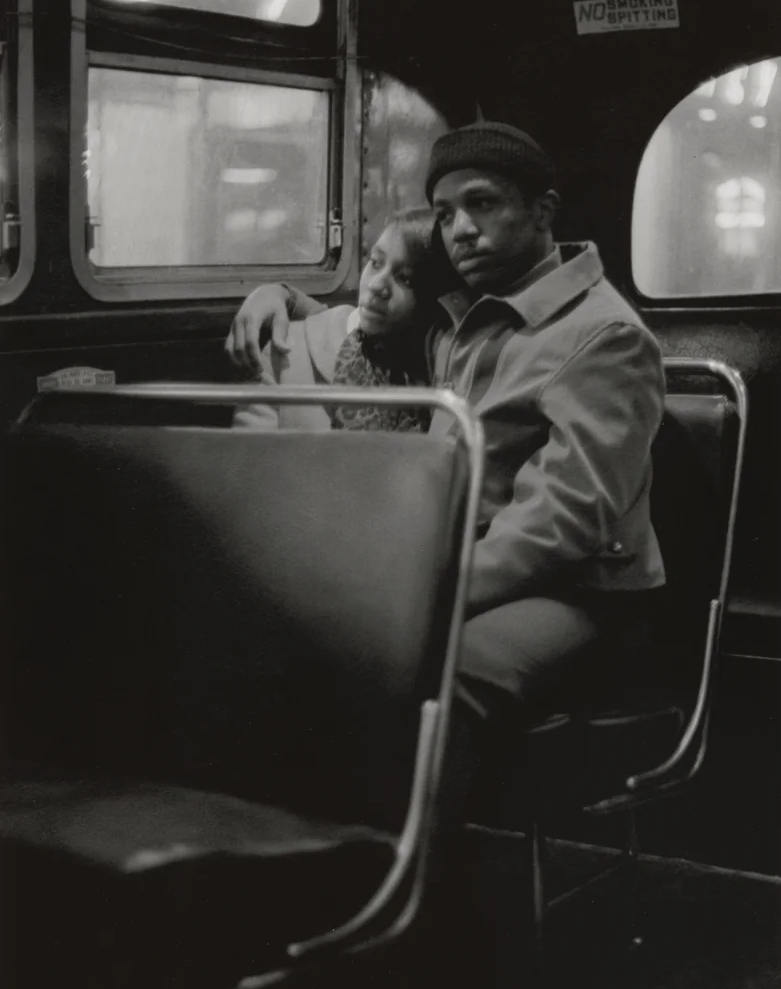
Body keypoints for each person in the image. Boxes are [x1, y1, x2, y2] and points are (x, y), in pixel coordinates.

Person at [226, 122, 665, 733]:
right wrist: (277, 295)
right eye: (445, 212)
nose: (461, 228)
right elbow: (362, 324)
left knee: (442, 674)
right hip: (462, 565)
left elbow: (564, 517)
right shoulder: (466, 314)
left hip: (578, 593)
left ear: (542, 211)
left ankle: (419, 801)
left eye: (482, 203)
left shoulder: (604, 336)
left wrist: (423, 589)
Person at [229, 209, 439, 434]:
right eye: (376, 263)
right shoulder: (287, 349)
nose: (376, 285)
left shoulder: (444, 367)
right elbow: (247, 452)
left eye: (405, 278)